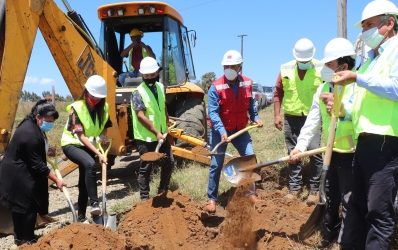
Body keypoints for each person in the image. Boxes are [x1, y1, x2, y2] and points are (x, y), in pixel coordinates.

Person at [332, 1, 398, 249]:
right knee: (358, 207)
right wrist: (342, 110)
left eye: (369, 25)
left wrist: (358, 77)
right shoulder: (370, 60)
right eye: (363, 27)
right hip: (366, 143)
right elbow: (364, 104)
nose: (364, 32)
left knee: (379, 213)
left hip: (387, 143)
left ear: (389, 24)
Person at [289, 38, 356, 248]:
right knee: (329, 196)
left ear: (344, 65)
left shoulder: (356, 87)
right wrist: (300, 147)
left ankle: (344, 242)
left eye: (330, 64)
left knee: (349, 201)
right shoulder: (323, 89)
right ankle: (328, 236)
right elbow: (312, 122)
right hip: (330, 152)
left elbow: (360, 120)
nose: (325, 68)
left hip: (352, 153)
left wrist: (341, 110)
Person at [204, 50, 263, 213]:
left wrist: (255, 117)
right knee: (216, 164)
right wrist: (222, 131)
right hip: (220, 131)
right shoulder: (215, 87)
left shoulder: (247, 83)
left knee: (249, 158)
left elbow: (251, 105)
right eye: (226, 66)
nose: (229, 68)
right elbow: (213, 113)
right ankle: (211, 199)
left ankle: (251, 192)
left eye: (232, 66)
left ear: (239, 67)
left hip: (240, 129)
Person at [0, 100, 64, 245]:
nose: (50, 123)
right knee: (28, 205)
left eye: (52, 120)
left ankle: (20, 238)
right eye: (48, 120)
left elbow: (34, 154)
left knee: (20, 206)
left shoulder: (31, 125)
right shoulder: (30, 134)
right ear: (38, 116)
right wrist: (57, 180)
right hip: (16, 173)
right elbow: (38, 165)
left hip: (16, 169)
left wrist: (46, 151)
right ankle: (27, 240)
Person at [273, 38, 323, 204]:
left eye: (306, 61)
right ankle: (295, 187)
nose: (303, 63)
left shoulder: (322, 68)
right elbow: (277, 92)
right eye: (300, 61)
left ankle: (315, 189)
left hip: (313, 117)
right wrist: (277, 115)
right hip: (292, 117)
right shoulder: (285, 68)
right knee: (293, 154)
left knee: (315, 151)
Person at [61, 75, 112, 222]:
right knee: (90, 164)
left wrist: (103, 136)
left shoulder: (104, 107)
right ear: (86, 92)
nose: (96, 99)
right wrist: (98, 154)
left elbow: (105, 126)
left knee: (84, 183)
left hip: (88, 146)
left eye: (99, 97)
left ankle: (81, 217)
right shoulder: (76, 108)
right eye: (93, 96)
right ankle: (95, 203)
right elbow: (81, 136)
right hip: (72, 144)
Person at [131, 57, 174, 200]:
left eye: (152, 75)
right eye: (146, 75)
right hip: (145, 137)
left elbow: (162, 107)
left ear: (157, 73)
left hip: (162, 134)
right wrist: (156, 132)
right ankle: (144, 198)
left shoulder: (161, 87)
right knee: (146, 167)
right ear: (142, 75)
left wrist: (167, 125)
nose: (149, 78)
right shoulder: (137, 93)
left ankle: (162, 190)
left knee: (169, 162)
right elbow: (141, 116)